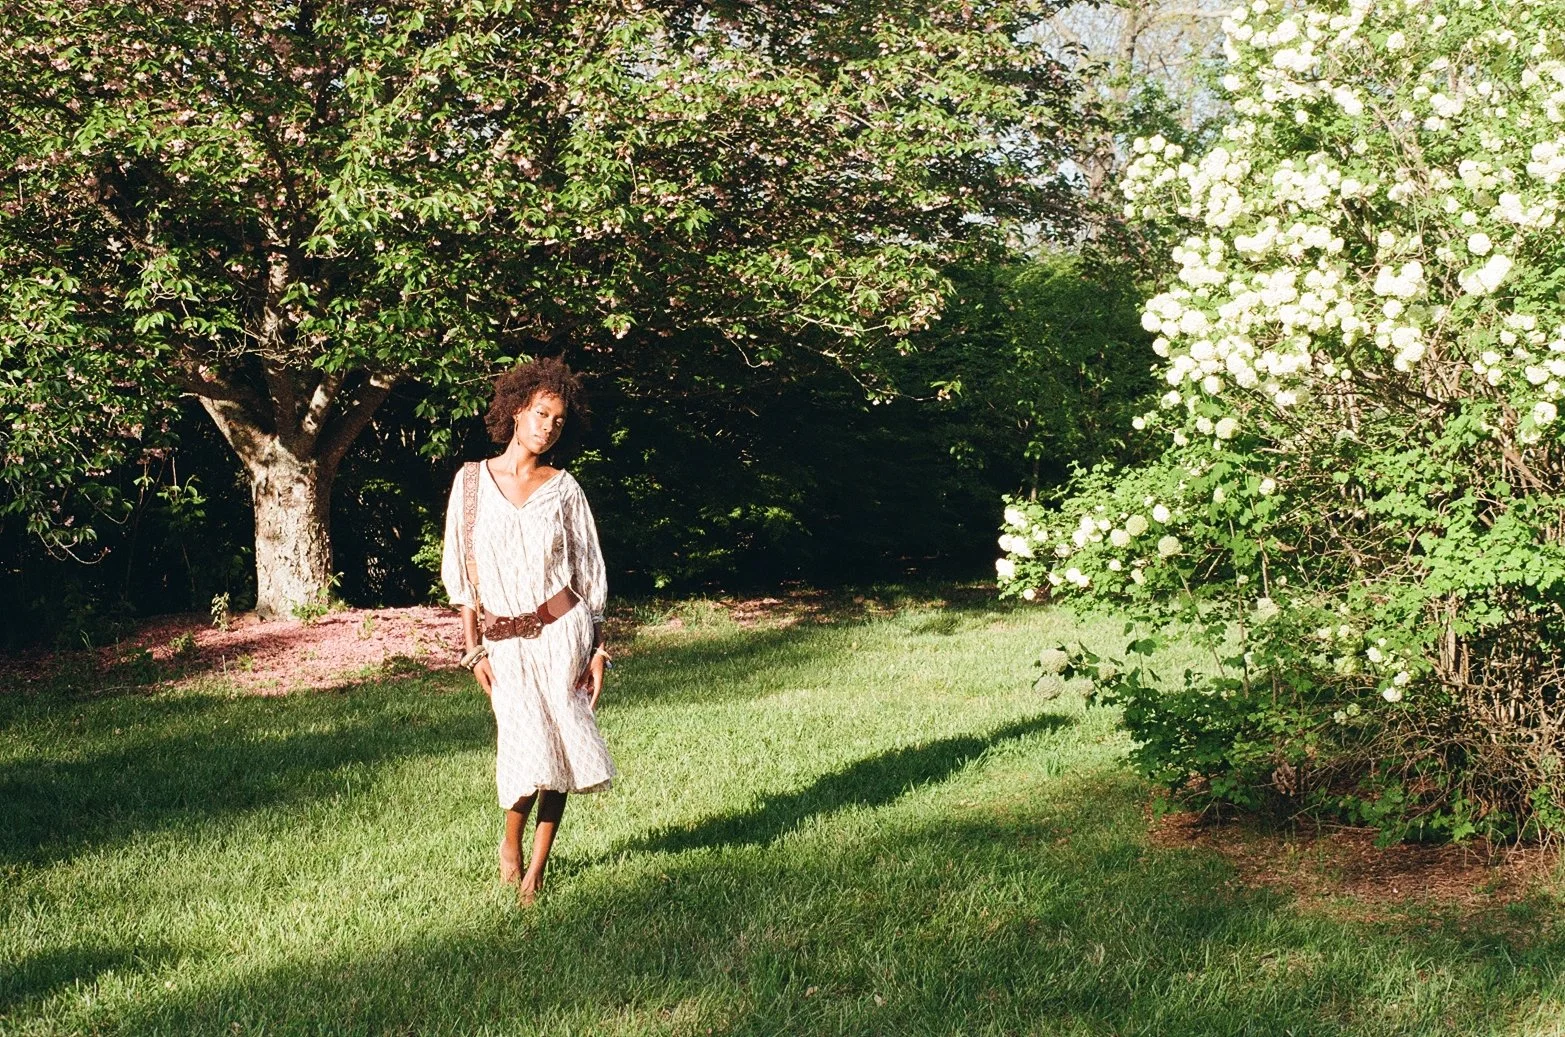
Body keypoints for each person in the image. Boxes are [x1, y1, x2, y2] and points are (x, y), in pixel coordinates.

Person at [441, 357, 615, 904]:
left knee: (560, 752)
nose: (548, 427)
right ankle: (510, 845)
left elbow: (589, 573)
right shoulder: (471, 483)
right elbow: (463, 574)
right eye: (541, 414)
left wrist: (598, 647)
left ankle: (536, 872)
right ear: (516, 411)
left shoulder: (564, 489)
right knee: (525, 747)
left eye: (558, 420)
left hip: (563, 632)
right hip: (504, 645)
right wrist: (473, 651)